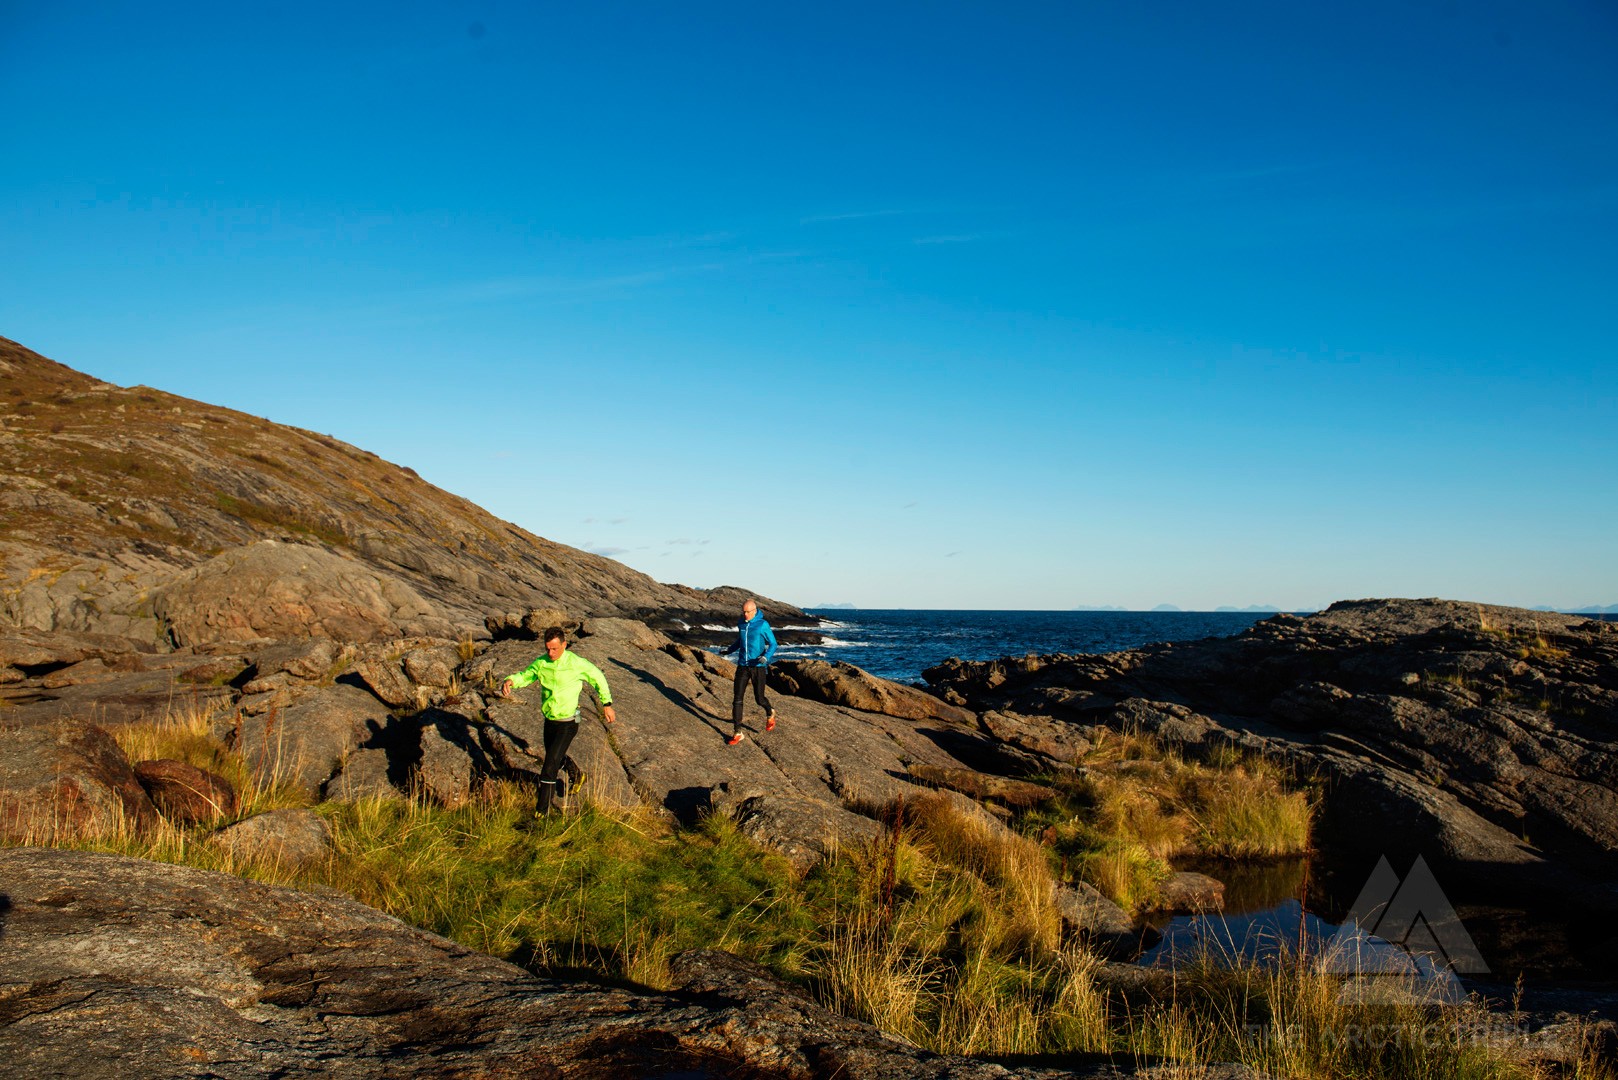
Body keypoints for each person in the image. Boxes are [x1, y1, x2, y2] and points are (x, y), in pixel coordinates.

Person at [500, 626, 615, 816]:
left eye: (555, 649)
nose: (551, 653)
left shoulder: (576, 663)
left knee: (549, 766)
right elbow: (526, 676)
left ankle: (541, 812)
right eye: (547, 649)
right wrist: (511, 681)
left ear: (564, 645)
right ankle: (577, 775)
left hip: (569, 721)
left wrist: (607, 704)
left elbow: (598, 678)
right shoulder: (541, 663)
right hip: (550, 720)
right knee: (556, 756)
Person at [719, 598, 776, 745]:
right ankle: (738, 732)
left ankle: (770, 712)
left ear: (754, 611)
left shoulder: (762, 624)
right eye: (743, 612)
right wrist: (729, 650)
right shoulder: (741, 623)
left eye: (747, 612)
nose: (745, 615)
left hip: (758, 667)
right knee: (737, 699)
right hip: (742, 666)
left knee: (759, 699)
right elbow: (740, 641)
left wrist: (766, 657)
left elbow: (773, 644)